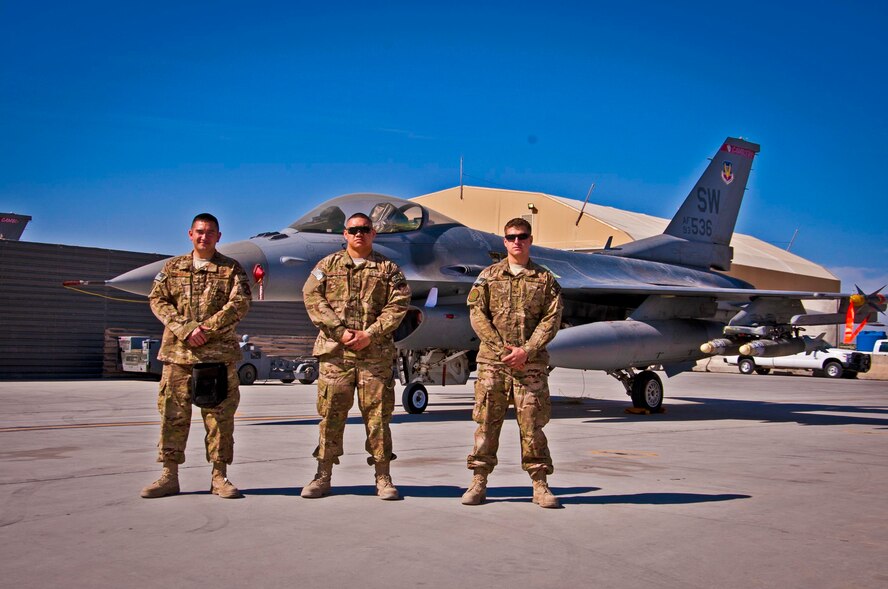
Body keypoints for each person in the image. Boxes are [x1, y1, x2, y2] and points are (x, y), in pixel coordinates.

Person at [140, 213, 252, 499]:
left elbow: (239, 303)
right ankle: (169, 476)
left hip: (216, 358)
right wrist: (186, 329)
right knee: (172, 418)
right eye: (200, 232)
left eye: (210, 232)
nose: (204, 237)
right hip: (178, 357)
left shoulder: (231, 269)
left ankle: (219, 477)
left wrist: (207, 330)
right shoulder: (173, 267)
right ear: (190, 234)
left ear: (219, 236)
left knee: (219, 421)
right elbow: (157, 299)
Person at [300, 212, 411, 500]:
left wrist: (370, 334)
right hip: (336, 355)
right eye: (353, 230)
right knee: (331, 417)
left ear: (373, 234)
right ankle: (322, 475)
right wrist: (339, 331)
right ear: (344, 235)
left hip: (374, 356)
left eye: (364, 229)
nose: (359, 234)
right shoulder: (327, 266)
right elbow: (312, 296)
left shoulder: (388, 269)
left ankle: (383, 476)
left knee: (378, 418)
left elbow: (399, 304)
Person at [462, 218, 563, 508]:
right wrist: (500, 349)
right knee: (485, 424)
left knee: (533, 426)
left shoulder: (545, 280)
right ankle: (478, 482)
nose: (517, 241)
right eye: (511, 237)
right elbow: (477, 314)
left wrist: (527, 351)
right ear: (504, 242)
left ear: (530, 240)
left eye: (522, 236)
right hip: (493, 364)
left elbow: (551, 319)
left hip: (529, 367)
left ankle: (540, 484)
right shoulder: (488, 277)